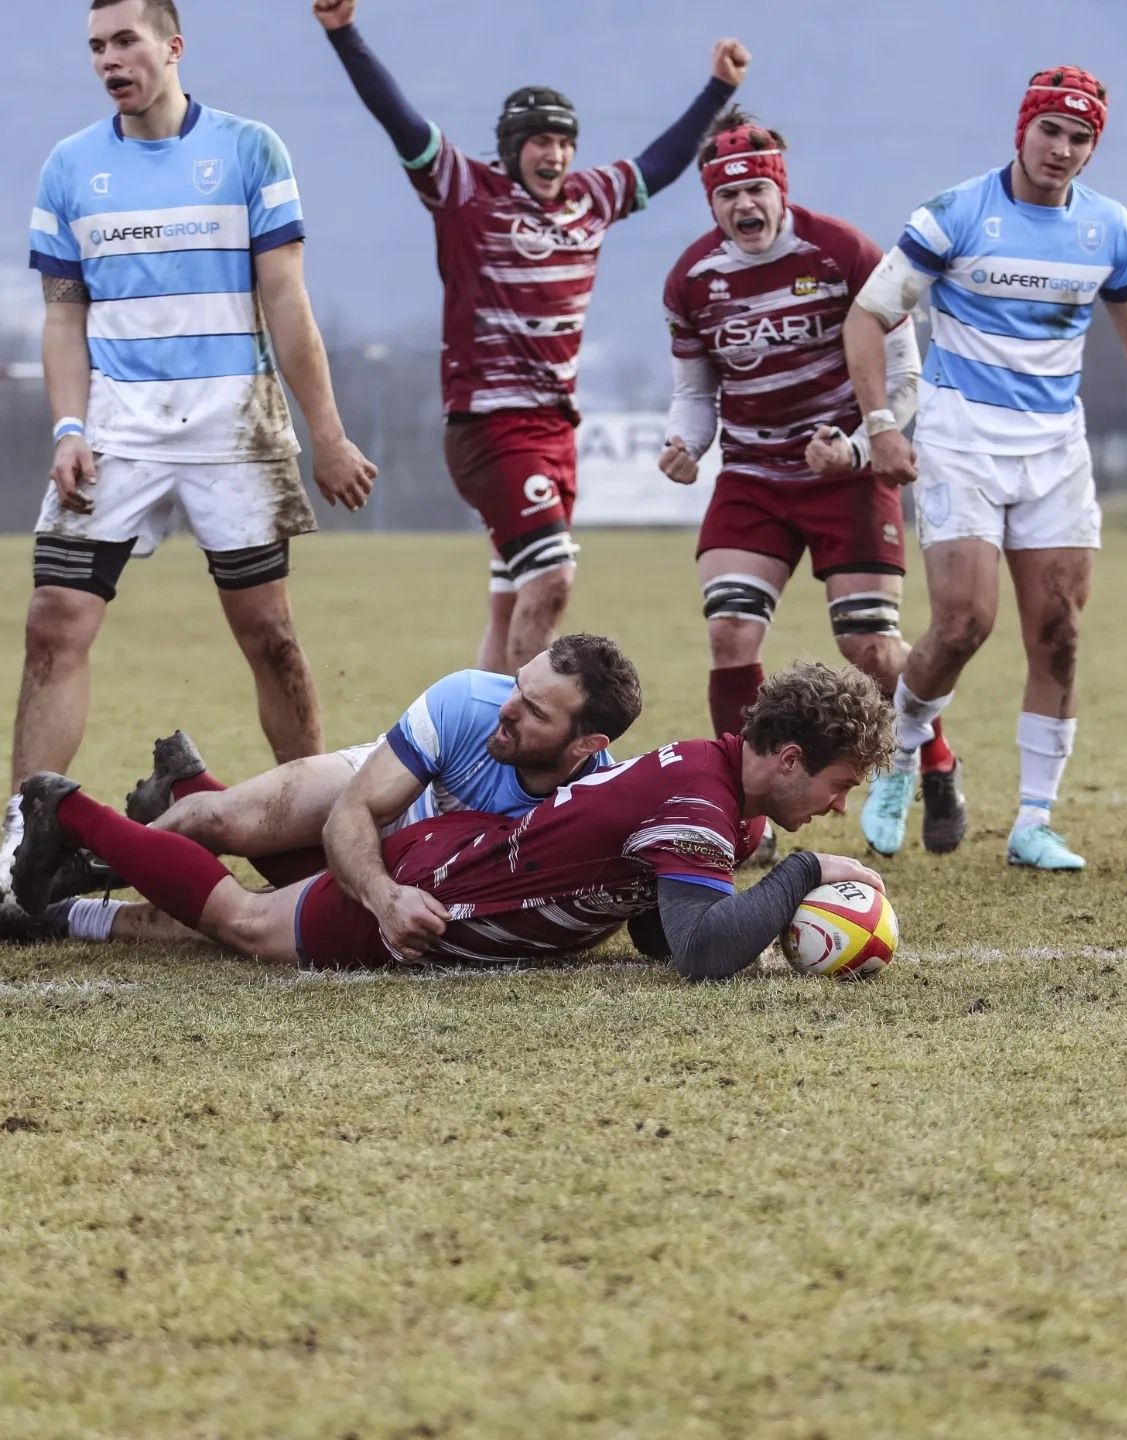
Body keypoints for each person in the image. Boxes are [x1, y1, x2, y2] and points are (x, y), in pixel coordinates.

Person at [3, 0, 376, 898]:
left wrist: (325, 434)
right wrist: (68, 427)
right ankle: (20, 848)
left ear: (173, 46)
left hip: (234, 429)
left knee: (270, 636)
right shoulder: (70, 166)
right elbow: (63, 316)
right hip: (116, 430)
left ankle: (316, 836)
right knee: (53, 623)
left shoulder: (250, 150)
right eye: (97, 46)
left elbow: (287, 301)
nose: (109, 59)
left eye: (125, 41)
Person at [843, 65, 1127, 867]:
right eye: (1050, 129)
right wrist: (880, 425)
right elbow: (868, 315)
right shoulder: (954, 213)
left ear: (1093, 149)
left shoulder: (1108, 228)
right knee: (962, 623)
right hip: (962, 442)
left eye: (1079, 137)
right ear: (1022, 129)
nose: (1062, 148)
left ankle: (1033, 823)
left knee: (1059, 634)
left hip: (1055, 450)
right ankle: (901, 754)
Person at [312, 0, 750, 673]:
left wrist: (718, 89)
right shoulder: (464, 189)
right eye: (541, 141)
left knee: (512, 600)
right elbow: (398, 118)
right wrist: (346, 34)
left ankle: (480, 735)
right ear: (514, 148)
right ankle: (528, 731)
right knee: (551, 580)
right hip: (490, 427)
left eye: (564, 142)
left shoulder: (590, 198)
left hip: (555, 429)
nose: (555, 154)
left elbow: (659, 164)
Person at [10, 665, 892, 982]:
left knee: (277, 895)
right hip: (444, 892)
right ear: (787, 758)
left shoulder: (712, 790)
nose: (837, 807)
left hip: (459, 859)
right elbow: (699, 956)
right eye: (840, 785)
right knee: (242, 924)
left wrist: (761, 909)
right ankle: (67, 811)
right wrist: (805, 876)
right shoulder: (701, 804)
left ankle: (131, 840)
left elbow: (660, 928)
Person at [658, 110, 961, 863]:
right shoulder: (691, 280)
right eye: (727, 195)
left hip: (847, 477)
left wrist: (856, 448)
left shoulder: (844, 252)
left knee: (870, 648)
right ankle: (741, 812)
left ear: (780, 189)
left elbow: (905, 376)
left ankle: (934, 756)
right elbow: (695, 392)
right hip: (753, 477)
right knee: (730, 633)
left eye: (756, 189)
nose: (744, 205)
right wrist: (685, 444)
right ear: (711, 202)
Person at [37, 634, 643, 947]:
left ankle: (164, 808)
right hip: (382, 797)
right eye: (517, 684)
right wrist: (384, 899)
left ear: (585, 745)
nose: (507, 708)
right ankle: (90, 862)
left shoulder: (594, 804)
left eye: (534, 710)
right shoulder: (466, 700)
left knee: (243, 920)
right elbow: (352, 812)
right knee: (226, 822)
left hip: (421, 864)